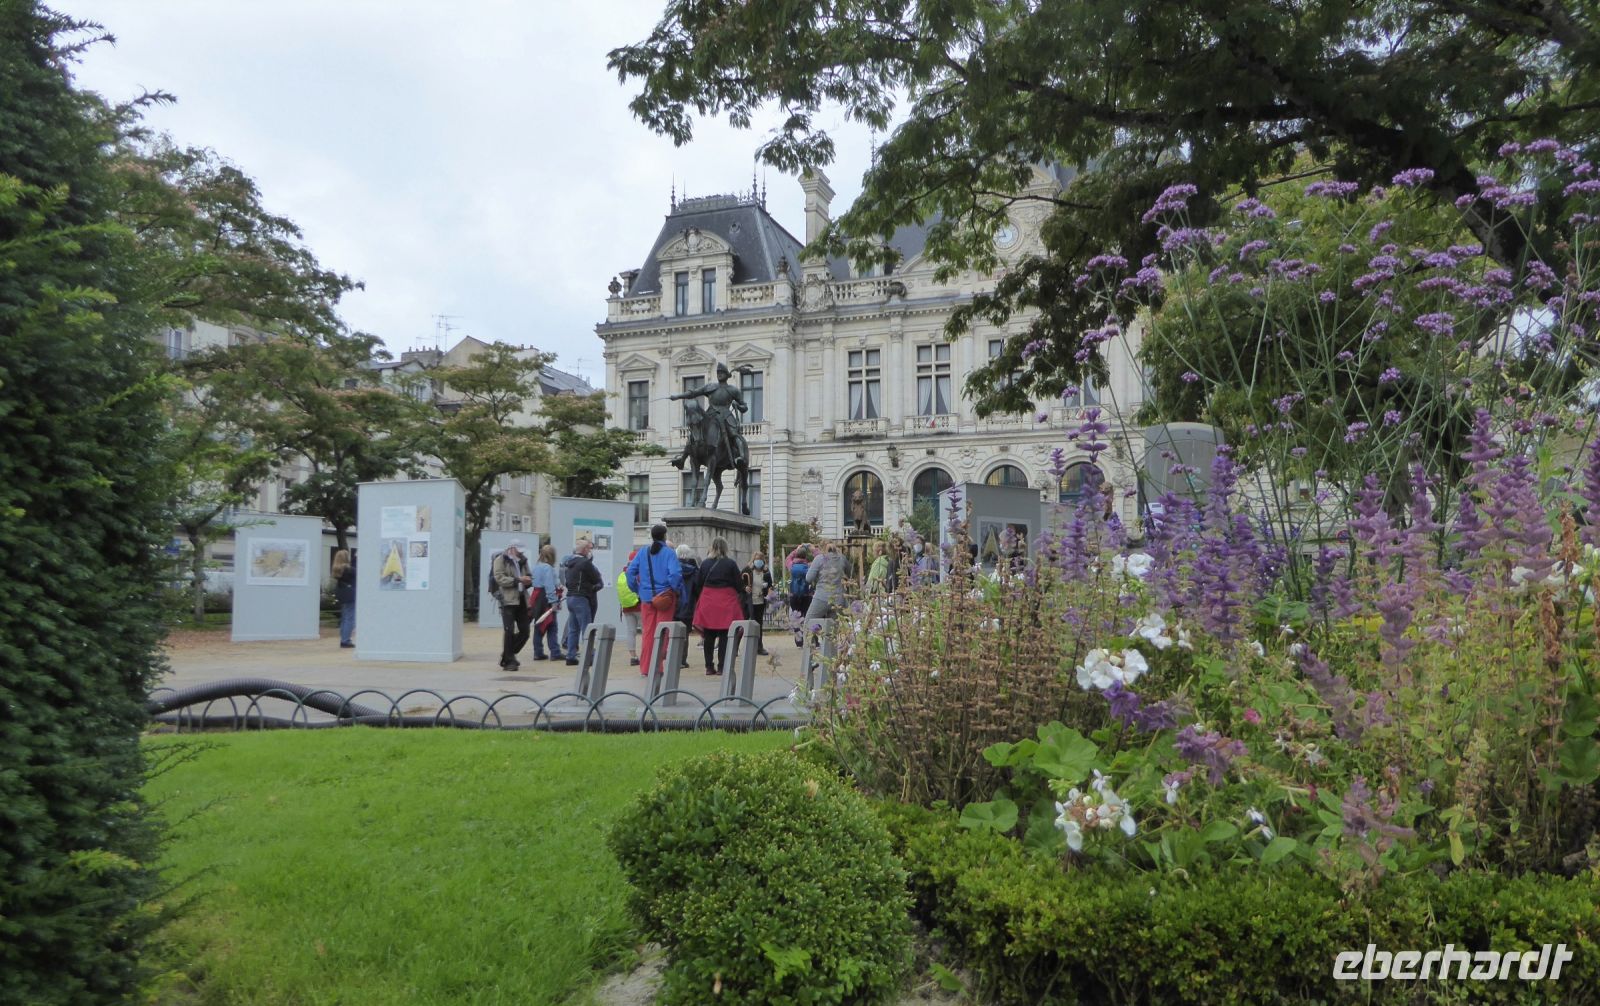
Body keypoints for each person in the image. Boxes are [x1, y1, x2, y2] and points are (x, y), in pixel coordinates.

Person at [626, 524, 684, 677]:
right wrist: (673, 589)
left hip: (646, 598)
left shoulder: (642, 552)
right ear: (664, 536)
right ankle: (658, 666)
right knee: (663, 632)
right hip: (665, 598)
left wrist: (637, 589)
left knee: (648, 633)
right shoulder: (669, 553)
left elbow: (630, 572)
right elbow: (675, 574)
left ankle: (645, 668)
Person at [692, 538, 746, 675]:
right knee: (725, 635)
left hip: (708, 601)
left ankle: (709, 666)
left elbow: (698, 584)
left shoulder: (705, 564)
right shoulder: (730, 563)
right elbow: (739, 585)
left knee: (708, 636)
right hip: (726, 601)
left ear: (712, 547)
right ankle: (722, 666)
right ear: (725, 548)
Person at [560, 539, 604, 666]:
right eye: (589, 549)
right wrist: (593, 586)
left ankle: (571, 656)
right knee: (587, 628)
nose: (590, 551)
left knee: (573, 629)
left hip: (570, 597)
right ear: (585, 550)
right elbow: (596, 578)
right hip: (581, 598)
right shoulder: (585, 563)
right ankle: (589, 656)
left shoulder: (569, 563)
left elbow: (566, 581)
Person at [491, 539, 533, 670]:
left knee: (525, 631)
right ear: (511, 548)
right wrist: (518, 580)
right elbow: (499, 578)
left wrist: (529, 580)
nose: (520, 553)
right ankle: (509, 661)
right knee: (509, 630)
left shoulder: (523, 560)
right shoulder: (500, 560)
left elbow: (529, 575)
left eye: (521, 551)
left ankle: (507, 655)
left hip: (522, 599)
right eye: (518, 551)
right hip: (507, 600)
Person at [529, 543, 563, 661]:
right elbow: (549, 585)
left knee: (539, 623)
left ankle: (538, 652)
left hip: (537, 597)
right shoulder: (548, 568)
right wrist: (554, 601)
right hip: (545, 598)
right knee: (552, 625)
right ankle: (555, 652)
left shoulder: (536, 567)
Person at [806, 541, 850, 621]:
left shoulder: (819, 558)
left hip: (821, 597)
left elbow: (809, 578)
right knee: (835, 625)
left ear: (821, 548)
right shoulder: (842, 558)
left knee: (809, 623)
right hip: (838, 598)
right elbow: (848, 574)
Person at [742, 551, 773, 655]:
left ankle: (759, 647)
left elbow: (770, 585)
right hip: (749, 601)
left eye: (760, 559)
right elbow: (739, 581)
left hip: (760, 601)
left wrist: (769, 590)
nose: (758, 562)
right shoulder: (748, 570)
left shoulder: (766, 572)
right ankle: (736, 646)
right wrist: (745, 587)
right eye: (756, 559)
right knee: (744, 623)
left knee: (758, 625)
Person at [617, 547, 642, 667]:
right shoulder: (639, 572)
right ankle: (646, 655)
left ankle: (633, 657)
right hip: (639, 605)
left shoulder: (622, 573)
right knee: (646, 631)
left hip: (626, 607)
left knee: (631, 632)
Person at [787, 545, 813, 646]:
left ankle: (798, 639)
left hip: (794, 594)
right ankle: (809, 638)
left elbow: (788, 558)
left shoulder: (791, 566)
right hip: (806, 594)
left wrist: (795, 550)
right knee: (807, 616)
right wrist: (812, 549)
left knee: (796, 617)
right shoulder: (809, 566)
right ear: (805, 556)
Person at [331, 549, 356, 648]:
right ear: (346, 558)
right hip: (350, 595)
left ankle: (344, 638)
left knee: (344, 618)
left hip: (341, 594)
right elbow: (357, 574)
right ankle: (345, 640)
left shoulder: (337, 570)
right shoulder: (350, 570)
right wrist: (356, 559)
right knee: (350, 618)